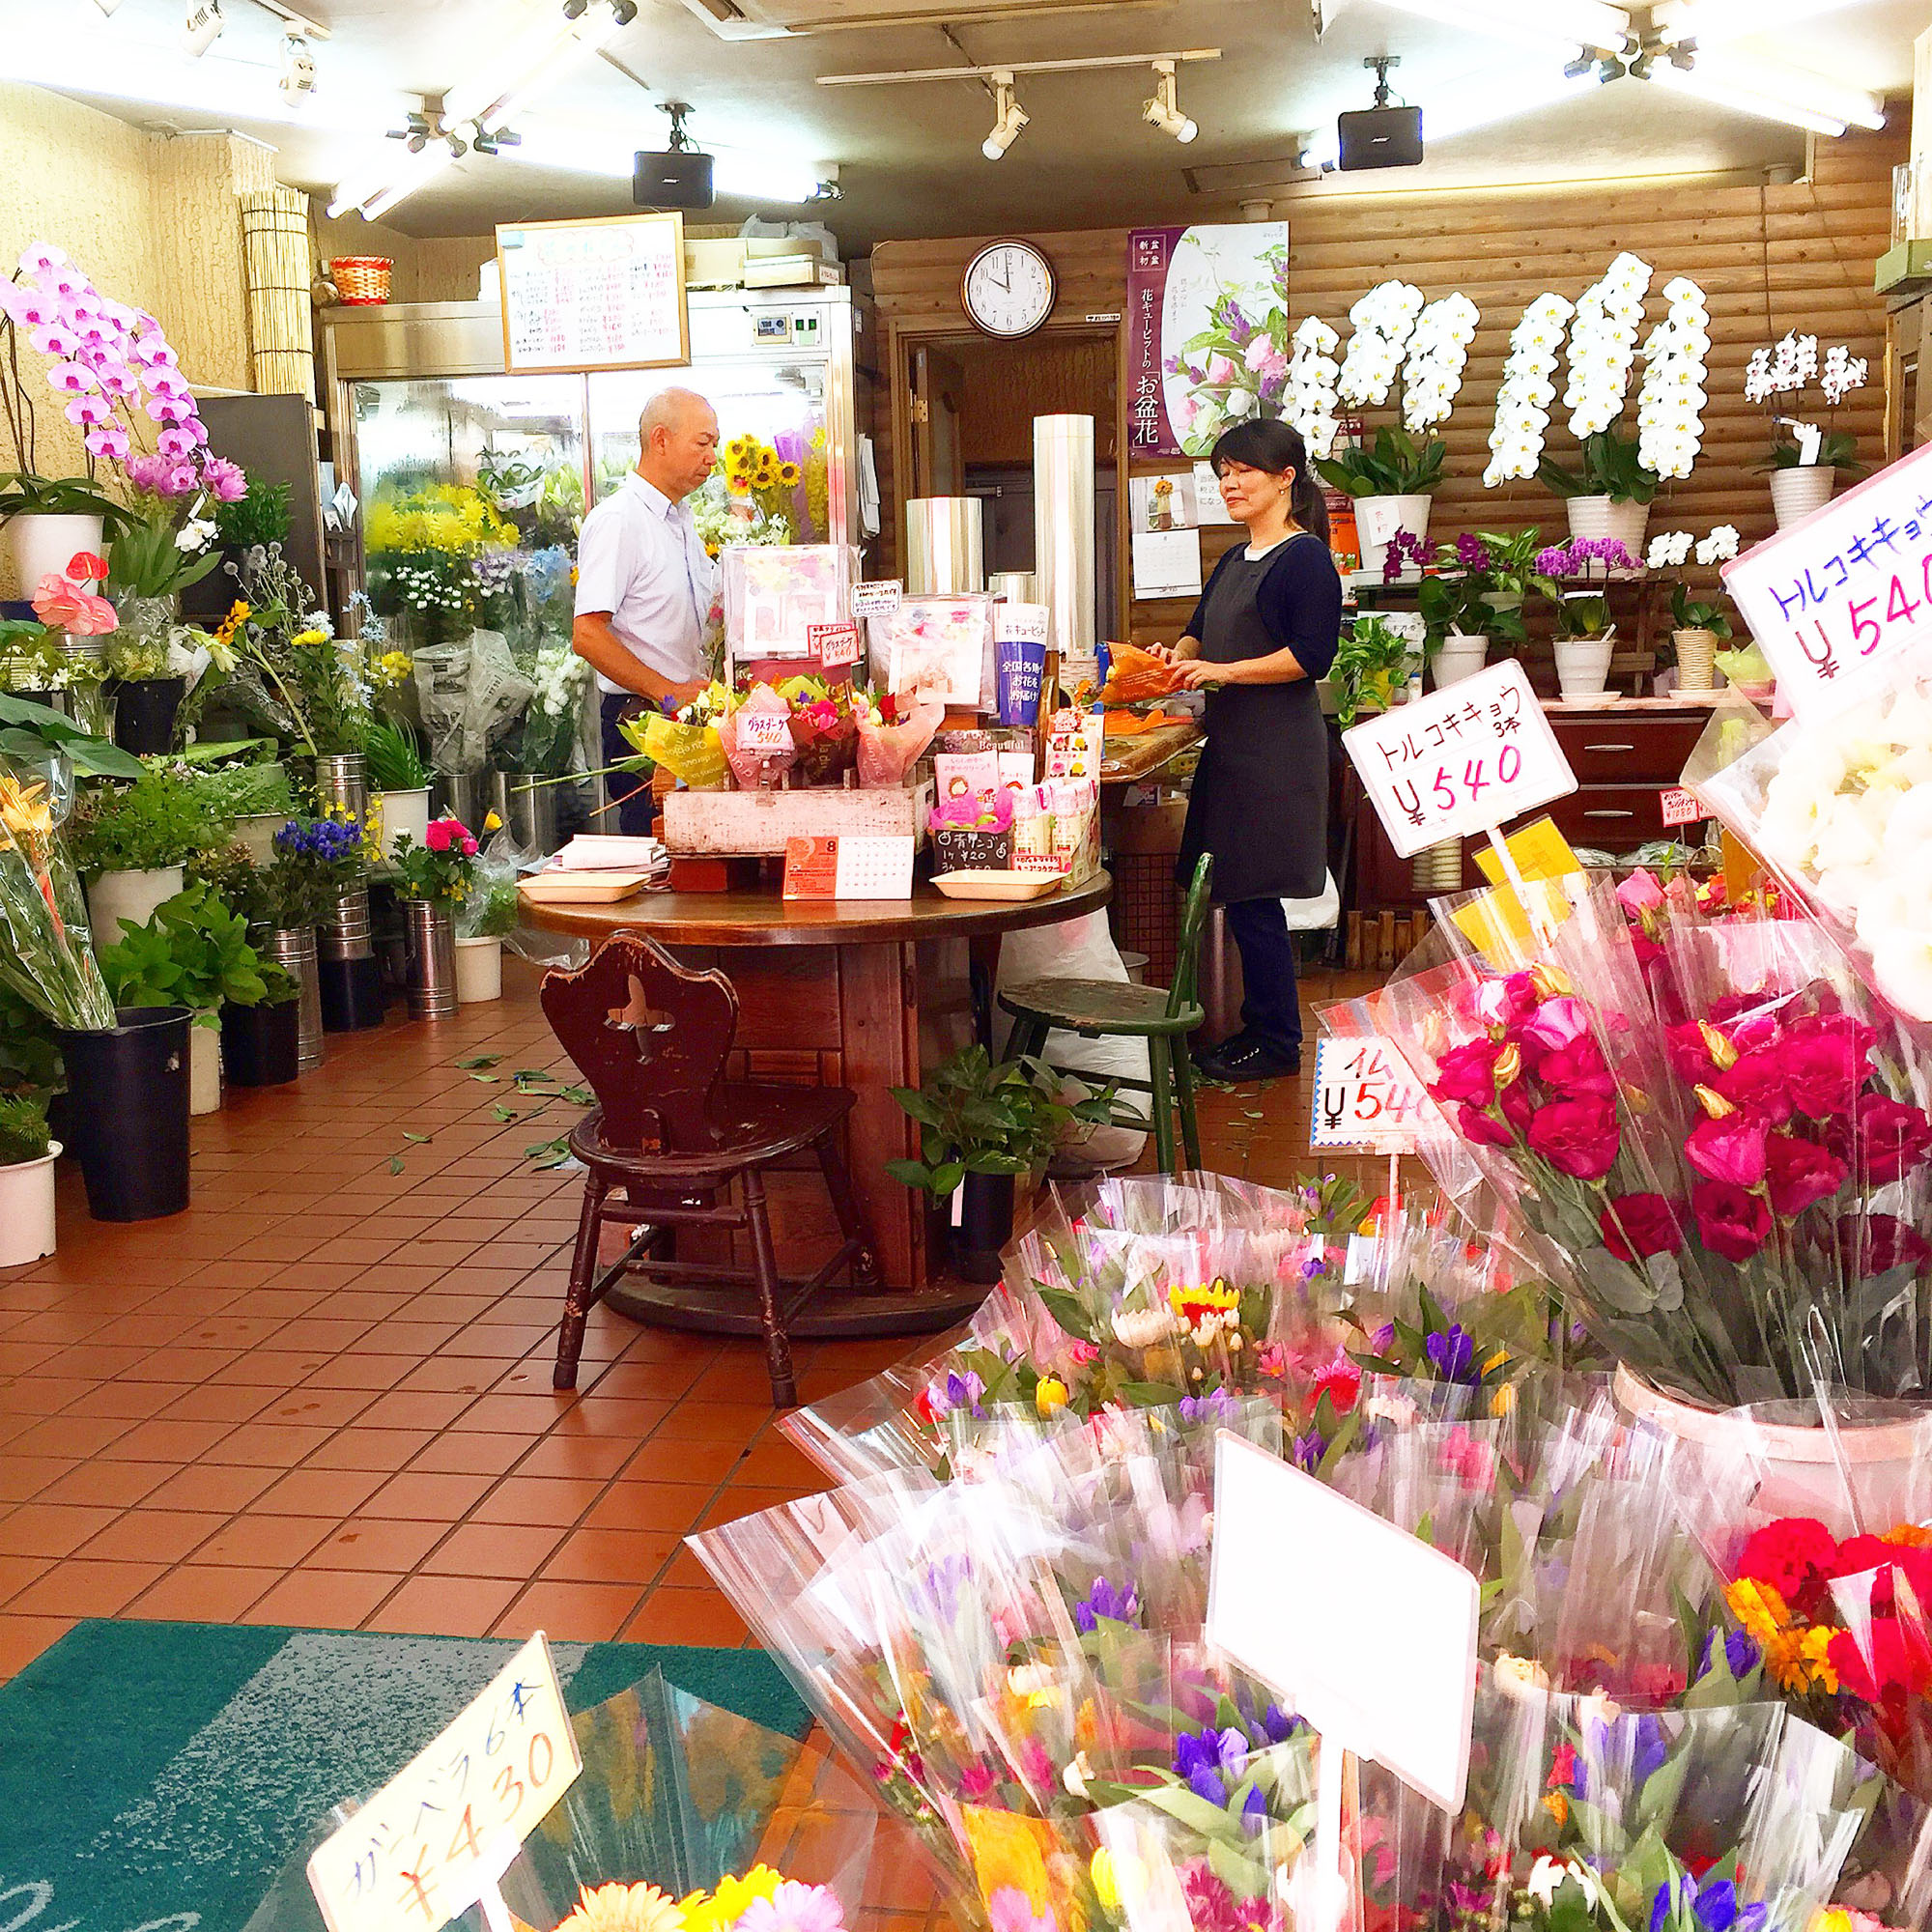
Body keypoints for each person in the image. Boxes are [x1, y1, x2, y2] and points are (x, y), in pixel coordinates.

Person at [1157, 416, 1342, 1084]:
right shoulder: (1235, 559)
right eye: (1222, 473)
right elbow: (1197, 633)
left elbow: (1310, 656)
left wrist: (1223, 674)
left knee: (1257, 896)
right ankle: (1256, 1028)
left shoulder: (1307, 558)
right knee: (1236, 893)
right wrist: (1173, 660)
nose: (1229, 484)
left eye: (1242, 471)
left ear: (1286, 477)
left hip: (1279, 752)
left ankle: (1277, 1042)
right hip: (1233, 748)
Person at [572, 386, 722, 836]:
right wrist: (669, 692)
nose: (712, 457)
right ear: (660, 440)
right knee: (655, 850)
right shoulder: (619, 520)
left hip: (683, 714)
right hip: (644, 719)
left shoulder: (680, 521)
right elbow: (588, 635)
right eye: (703, 443)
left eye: (714, 444)